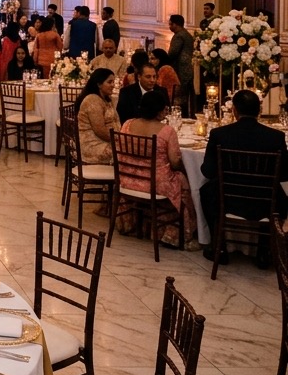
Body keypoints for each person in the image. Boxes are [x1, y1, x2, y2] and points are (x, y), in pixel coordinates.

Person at [199, 89, 288, 264]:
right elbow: (284, 174)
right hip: (266, 200)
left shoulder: (219, 134)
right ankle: (264, 251)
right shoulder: (276, 137)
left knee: (205, 191)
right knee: (281, 196)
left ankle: (219, 246)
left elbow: (207, 172)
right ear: (259, 111)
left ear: (234, 111)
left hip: (228, 198)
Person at [119, 89, 198, 247]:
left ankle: (138, 223)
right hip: (154, 183)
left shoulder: (127, 124)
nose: (166, 112)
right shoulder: (166, 131)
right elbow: (175, 162)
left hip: (127, 179)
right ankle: (174, 233)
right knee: (183, 181)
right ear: (159, 110)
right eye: (165, 109)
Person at [75, 68, 119, 164]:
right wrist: (119, 140)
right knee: (126, 153)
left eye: (113, 82)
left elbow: (116, 119)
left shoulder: (107, 98)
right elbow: (100, 131)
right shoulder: (92, 100)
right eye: (109, 82)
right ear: (99, 84)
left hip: (108, 140)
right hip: (93, 143)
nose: (113, 85)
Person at [166, 14, 194, 113]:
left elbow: (173, 53)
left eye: (170, 24)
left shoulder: (179, 36)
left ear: (176, 24)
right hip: (188, 69)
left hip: (180, 69)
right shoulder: (187, 34)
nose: (169, 27)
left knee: (179, 96)